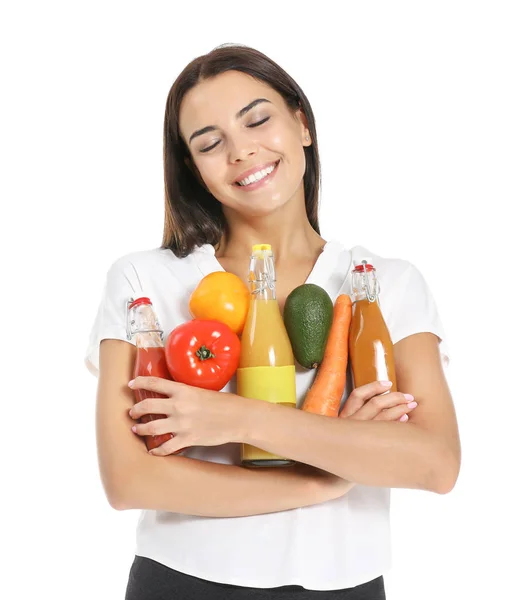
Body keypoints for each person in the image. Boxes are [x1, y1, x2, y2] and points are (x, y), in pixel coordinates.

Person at [85, 44, 461, 599]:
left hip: (347, 585)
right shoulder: (145, 281)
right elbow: (128, 480)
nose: (241, 152)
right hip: (184, 584)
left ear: (302, 124)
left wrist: (237, 419)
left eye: (258, 119)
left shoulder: (382, 283)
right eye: (210, 143)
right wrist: (324, 474)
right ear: (194, 169)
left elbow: (435, 464)